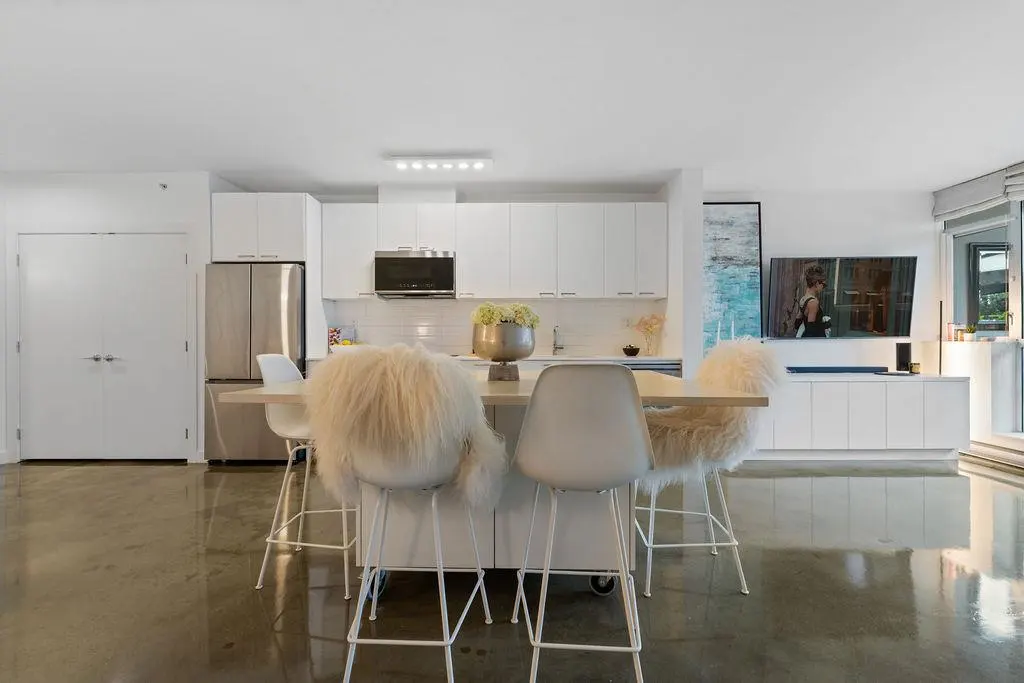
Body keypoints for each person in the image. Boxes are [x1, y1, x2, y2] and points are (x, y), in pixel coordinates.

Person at [795, 265, 831, 338]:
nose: (823, 287)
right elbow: (811, 330)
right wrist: (824, 325)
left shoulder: (803, 299)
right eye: (824, 285)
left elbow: (797, 323)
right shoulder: (813, 302)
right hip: (816, 343)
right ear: (817, 283)